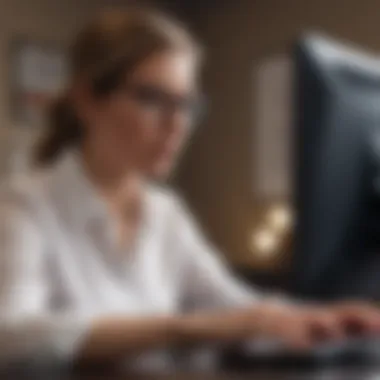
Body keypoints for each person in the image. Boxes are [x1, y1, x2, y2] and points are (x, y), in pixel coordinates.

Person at [0, 7, 379, 371]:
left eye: (186, 105)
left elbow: (237, 309)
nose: (176, 124)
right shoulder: (26, 203)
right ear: (87, 100)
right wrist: (179, 328)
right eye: (152, 98)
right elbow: (10, 336)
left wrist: (319, 319)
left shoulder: (164, 213)